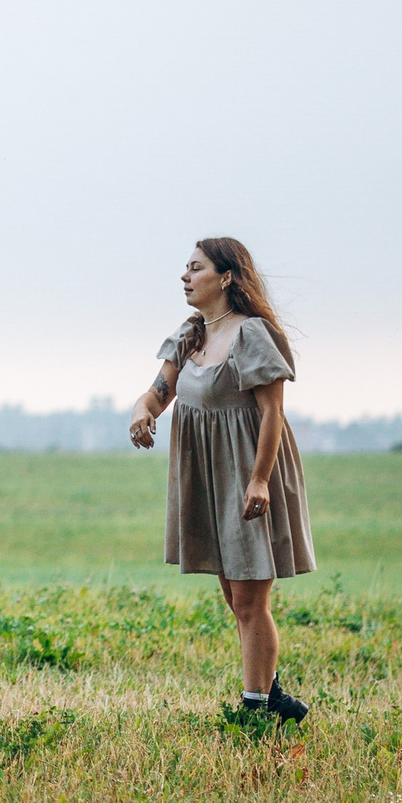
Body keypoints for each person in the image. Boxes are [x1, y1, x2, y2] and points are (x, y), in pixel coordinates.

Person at [128, 236, 313, 725]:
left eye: (196, 268)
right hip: (207, 476)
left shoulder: (252, 334)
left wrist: (259, 480)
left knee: (250, 597)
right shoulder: (191, 334)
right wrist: (141, 414)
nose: (185, 277)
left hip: (250, 471)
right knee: (235, 596)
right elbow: (155, 394)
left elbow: (272, 411)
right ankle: (271, 696)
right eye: (185, 269)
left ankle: (255, 711)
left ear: (226, 276)